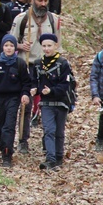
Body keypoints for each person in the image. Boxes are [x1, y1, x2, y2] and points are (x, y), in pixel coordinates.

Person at [10, 0, 61, 153]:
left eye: (46, 0)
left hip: (47, 66)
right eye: (40, 1)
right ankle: (23, 140)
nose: (43, 4)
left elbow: (58, 44)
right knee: (25, 103)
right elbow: (10, 43)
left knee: (47, 105)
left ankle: (48, 142)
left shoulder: (53, 19)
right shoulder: (21, 19)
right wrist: (19, 45)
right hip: (27, 65)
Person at [0, 34, 31, 167]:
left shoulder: (20, 63)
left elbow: (26, 82)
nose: (9, 48)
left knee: (9, 126)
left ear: (15, 47)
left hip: (14, 98)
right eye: (6, 45)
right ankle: (3, 144)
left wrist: (25, 94)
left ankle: (7, 154)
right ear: (2, 47)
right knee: (0, 125)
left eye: (11, 46)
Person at [31, 33, 71, 170]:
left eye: (49, 46)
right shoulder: (37, 64)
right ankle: (50, 158)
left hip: (61, 102)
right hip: (46, 103)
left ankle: (59, 156)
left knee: (59, 131)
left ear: (56, 45)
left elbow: (66, 85)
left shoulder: (63, 63)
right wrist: (34, 90)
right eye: (44, 46)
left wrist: (52, 91)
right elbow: (34, 82)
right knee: (49, 130)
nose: (47, 49)